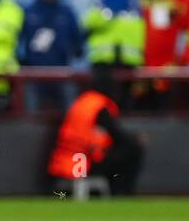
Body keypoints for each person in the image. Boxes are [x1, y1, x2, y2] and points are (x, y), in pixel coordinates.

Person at [47, 67, 144, 196]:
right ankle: (123, 194)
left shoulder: (83, 100)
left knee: (117, 149)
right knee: (133, 148)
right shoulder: (99, 106)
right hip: (82, 164)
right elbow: (118, 135)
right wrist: (136, 138)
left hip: (64, 162)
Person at [82, 0, 145, 103]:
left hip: (117, 62)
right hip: (112, 62)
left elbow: (95, 20)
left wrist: (94, 17)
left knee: (111, 111)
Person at [18, 0, 83, 112]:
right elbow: (19, 41)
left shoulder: (66, 11)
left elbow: (78, 42)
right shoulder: (28, 11)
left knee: (71, 115)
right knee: (30, 116)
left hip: (62, 73)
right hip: (34, 75)